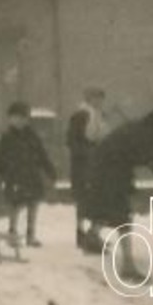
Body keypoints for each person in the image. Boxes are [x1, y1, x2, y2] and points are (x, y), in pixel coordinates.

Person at [82, 110, 153, 243]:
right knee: (122, 214)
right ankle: (127, 261)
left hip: (100, 167)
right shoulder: (152, 135)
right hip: (113, 171)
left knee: (107, 206)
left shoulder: (141, 127)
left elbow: (151, 160)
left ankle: (92, 236)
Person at [0, 101, 57, 247]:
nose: (20, 121)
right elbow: (0, 158)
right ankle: (13, 233)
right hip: (14, 176)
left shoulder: (33, 137)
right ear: (10, 119)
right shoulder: (7, 137)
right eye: (16, 118)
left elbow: (42, 155)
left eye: (23, 118)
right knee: (14, 206)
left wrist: (50, 171)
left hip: (31, 176)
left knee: (33, 206)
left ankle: (30, 234)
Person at [67, 86, 108, 251]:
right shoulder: (80, 116)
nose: (98, 101)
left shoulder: (100, 117)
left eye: (101, 98)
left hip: (97, 164)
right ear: (88, 99)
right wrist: (88, 152)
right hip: (83, 165)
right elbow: (72, 141)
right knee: (84, 199)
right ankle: (81, 233)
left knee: (97, 199)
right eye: (95, 98)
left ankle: (93, 234)